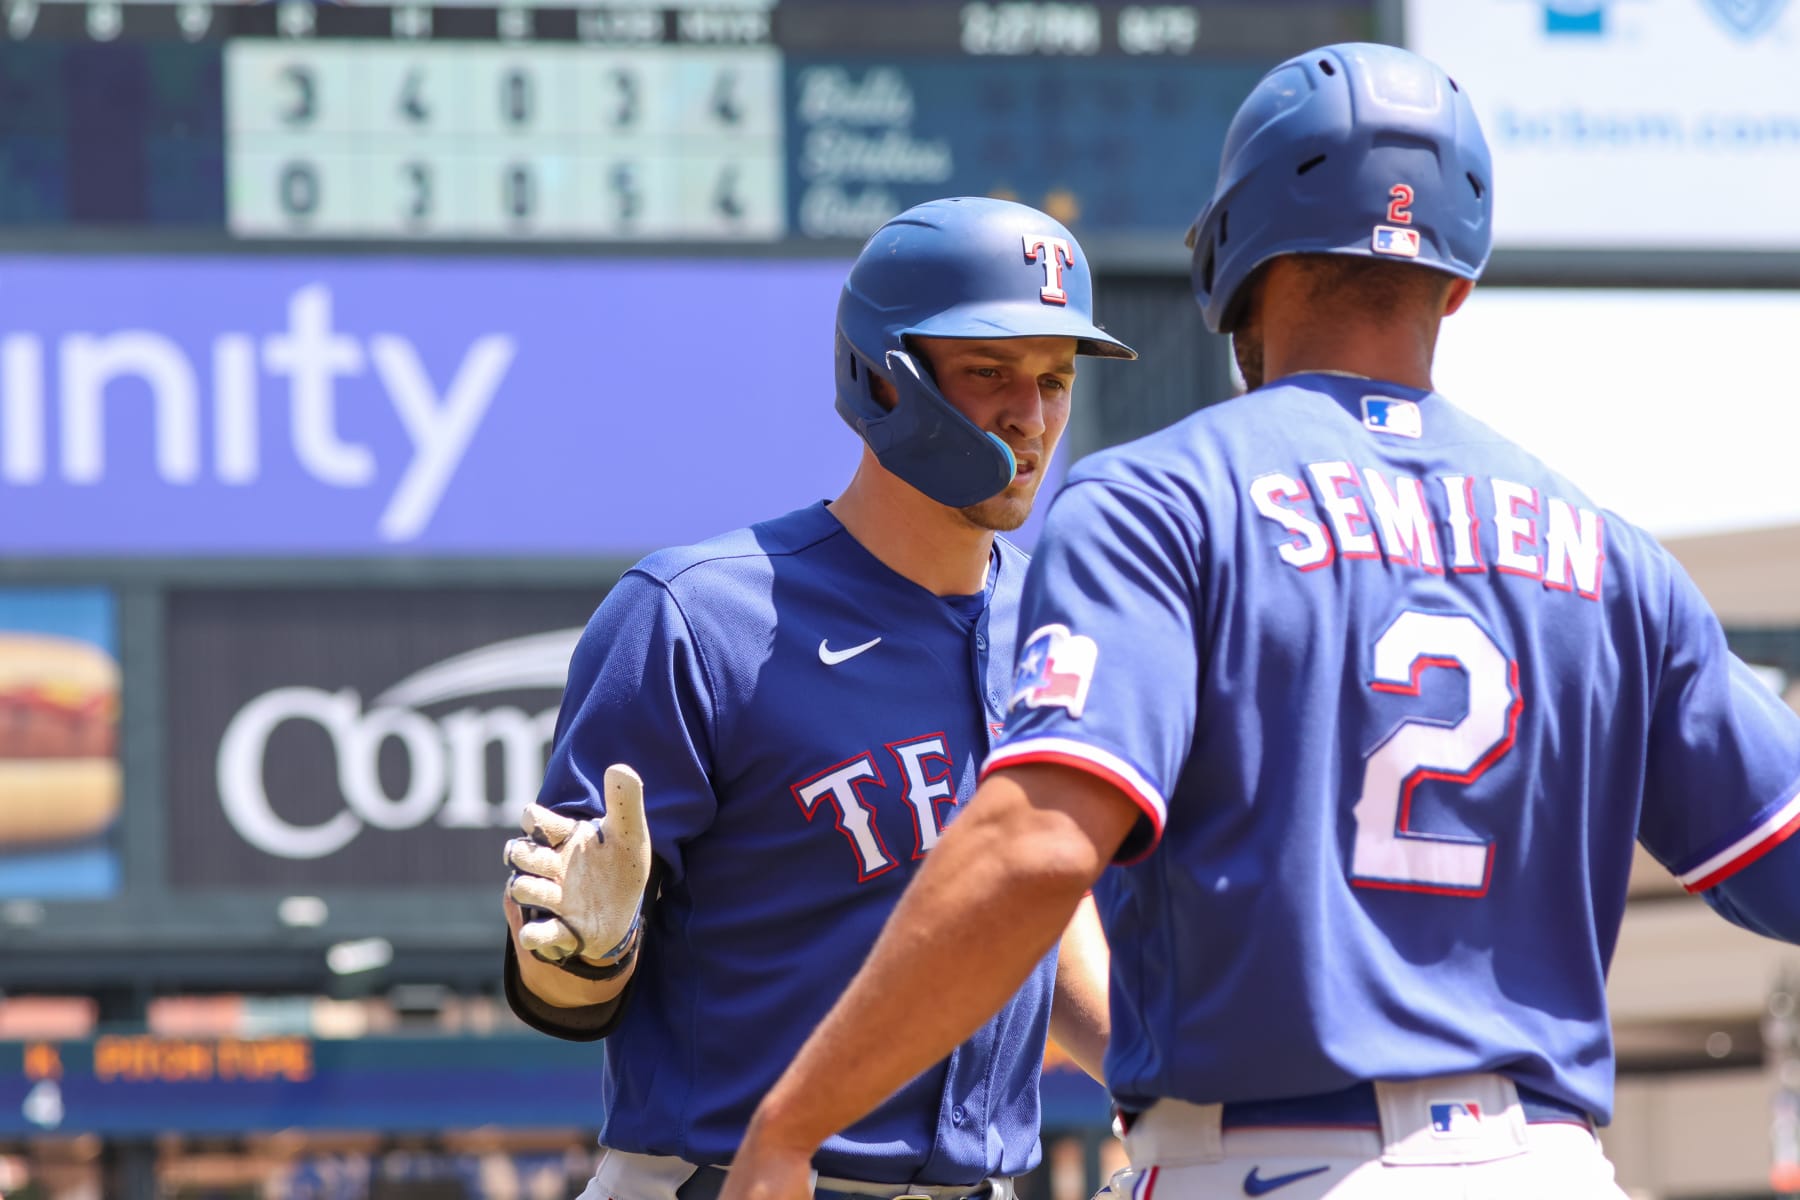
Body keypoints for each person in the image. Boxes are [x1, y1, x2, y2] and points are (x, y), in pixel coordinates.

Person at [718, 42, 1800, 1200]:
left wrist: (791, 1126)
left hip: (1266, 1163)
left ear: (1232, 257)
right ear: (1457, 282)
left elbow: (1035, 849)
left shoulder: (1163, 501)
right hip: (1548, 1167)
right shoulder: (1612, 558)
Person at [500, 196, 1136, 1200]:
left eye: (1054, 379)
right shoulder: (697, 615)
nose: (1033, 414)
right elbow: (560, 986)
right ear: (885, 375)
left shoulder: (1059, 625)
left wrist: (1165, 1081)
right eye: (989, 372)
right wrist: (589, 949)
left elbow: (1034, 906)